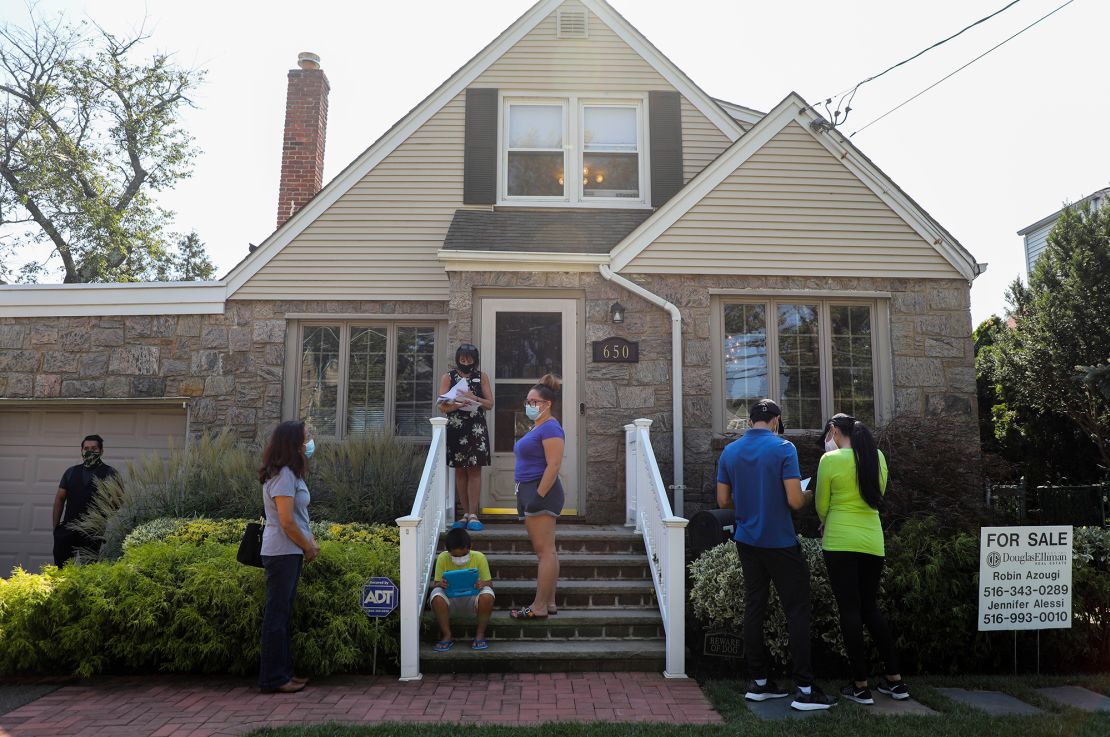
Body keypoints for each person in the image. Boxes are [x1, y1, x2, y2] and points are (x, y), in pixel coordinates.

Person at [716, 399, 836, 711]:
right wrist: (810, 494)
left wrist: (748, 504)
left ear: (749, 421)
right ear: (776, 421)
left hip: (747, 540)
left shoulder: (729, 452)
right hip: (780, 542)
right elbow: (795, 501)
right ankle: (806, 689)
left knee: (754, 606)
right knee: (796, 610)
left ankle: (758, 682)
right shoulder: (784, 449)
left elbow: (722, 500)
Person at [816, 413, 908, 704]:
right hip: (872, 541)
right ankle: (896, 681)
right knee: (870, 608)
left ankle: (860, 685)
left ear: (833, 431)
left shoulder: (829, 461)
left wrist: (824, 520)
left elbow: (821, 504)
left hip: (840, 540)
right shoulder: (877, 456)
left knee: (849, 610)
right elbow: (876, 495)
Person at [257, 420, 320, 694]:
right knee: (276, 617)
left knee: (282, 616)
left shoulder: (290, 474)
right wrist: (307, 546)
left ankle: (284, 674)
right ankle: (273, 678)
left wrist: (308, 541)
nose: (309, 443)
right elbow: (286, 521)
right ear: (292, 443)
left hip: (289, 551)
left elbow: (297, 517)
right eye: (305, 438)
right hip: (283, 552)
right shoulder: (283, 475)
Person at [509, 373, 564, 620]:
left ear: (547, 404)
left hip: (540, 491)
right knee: (548, 551)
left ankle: (539, 606)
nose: (529, 405)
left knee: (544, 552)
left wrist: (538, 495)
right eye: (527, 401)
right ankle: (549, 602)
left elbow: (553, 465)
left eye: (534, 402)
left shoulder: (551, 426)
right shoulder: (538, 426)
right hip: (529, 489)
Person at [437, 343, 493, 531]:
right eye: (463, 359)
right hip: (456, 427)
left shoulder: (481, 376)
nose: (466, 362)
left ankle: (474, 514)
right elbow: (441, 406)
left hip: (476, 427)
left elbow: (489, 404)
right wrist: (457, 404)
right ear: (458, 359)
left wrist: (473, 397)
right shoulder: (448, 377)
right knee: (460, 470)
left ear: (474, 360)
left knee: (475, 469)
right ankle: (464, 514)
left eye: (469, 359)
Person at [52, 434, 118, 566]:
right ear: (81, 451)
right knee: (62, 569)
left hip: (92, 531)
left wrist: (102, 520)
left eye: (94, 448)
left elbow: (117, 502)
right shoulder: (71, 472)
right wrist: (56, 528)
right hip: (68, 528)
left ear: (101, 451)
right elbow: (59, 499)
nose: (90, 451)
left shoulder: (110, 473)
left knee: (87, 571)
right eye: (86, 448)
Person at [428, 527, 495, 652]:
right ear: (448, 551)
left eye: (464, 554)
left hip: (473, 599)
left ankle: (480, 634)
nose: (460, 558)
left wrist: (482, 583)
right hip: (450, 599)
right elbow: (436, 583)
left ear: (470, 547)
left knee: (487, 595)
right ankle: (447, 635)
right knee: (436, 595)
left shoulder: (479, 557)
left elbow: (490, 583)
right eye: (455, 556)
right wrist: (440, 584)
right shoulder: (443, 558)